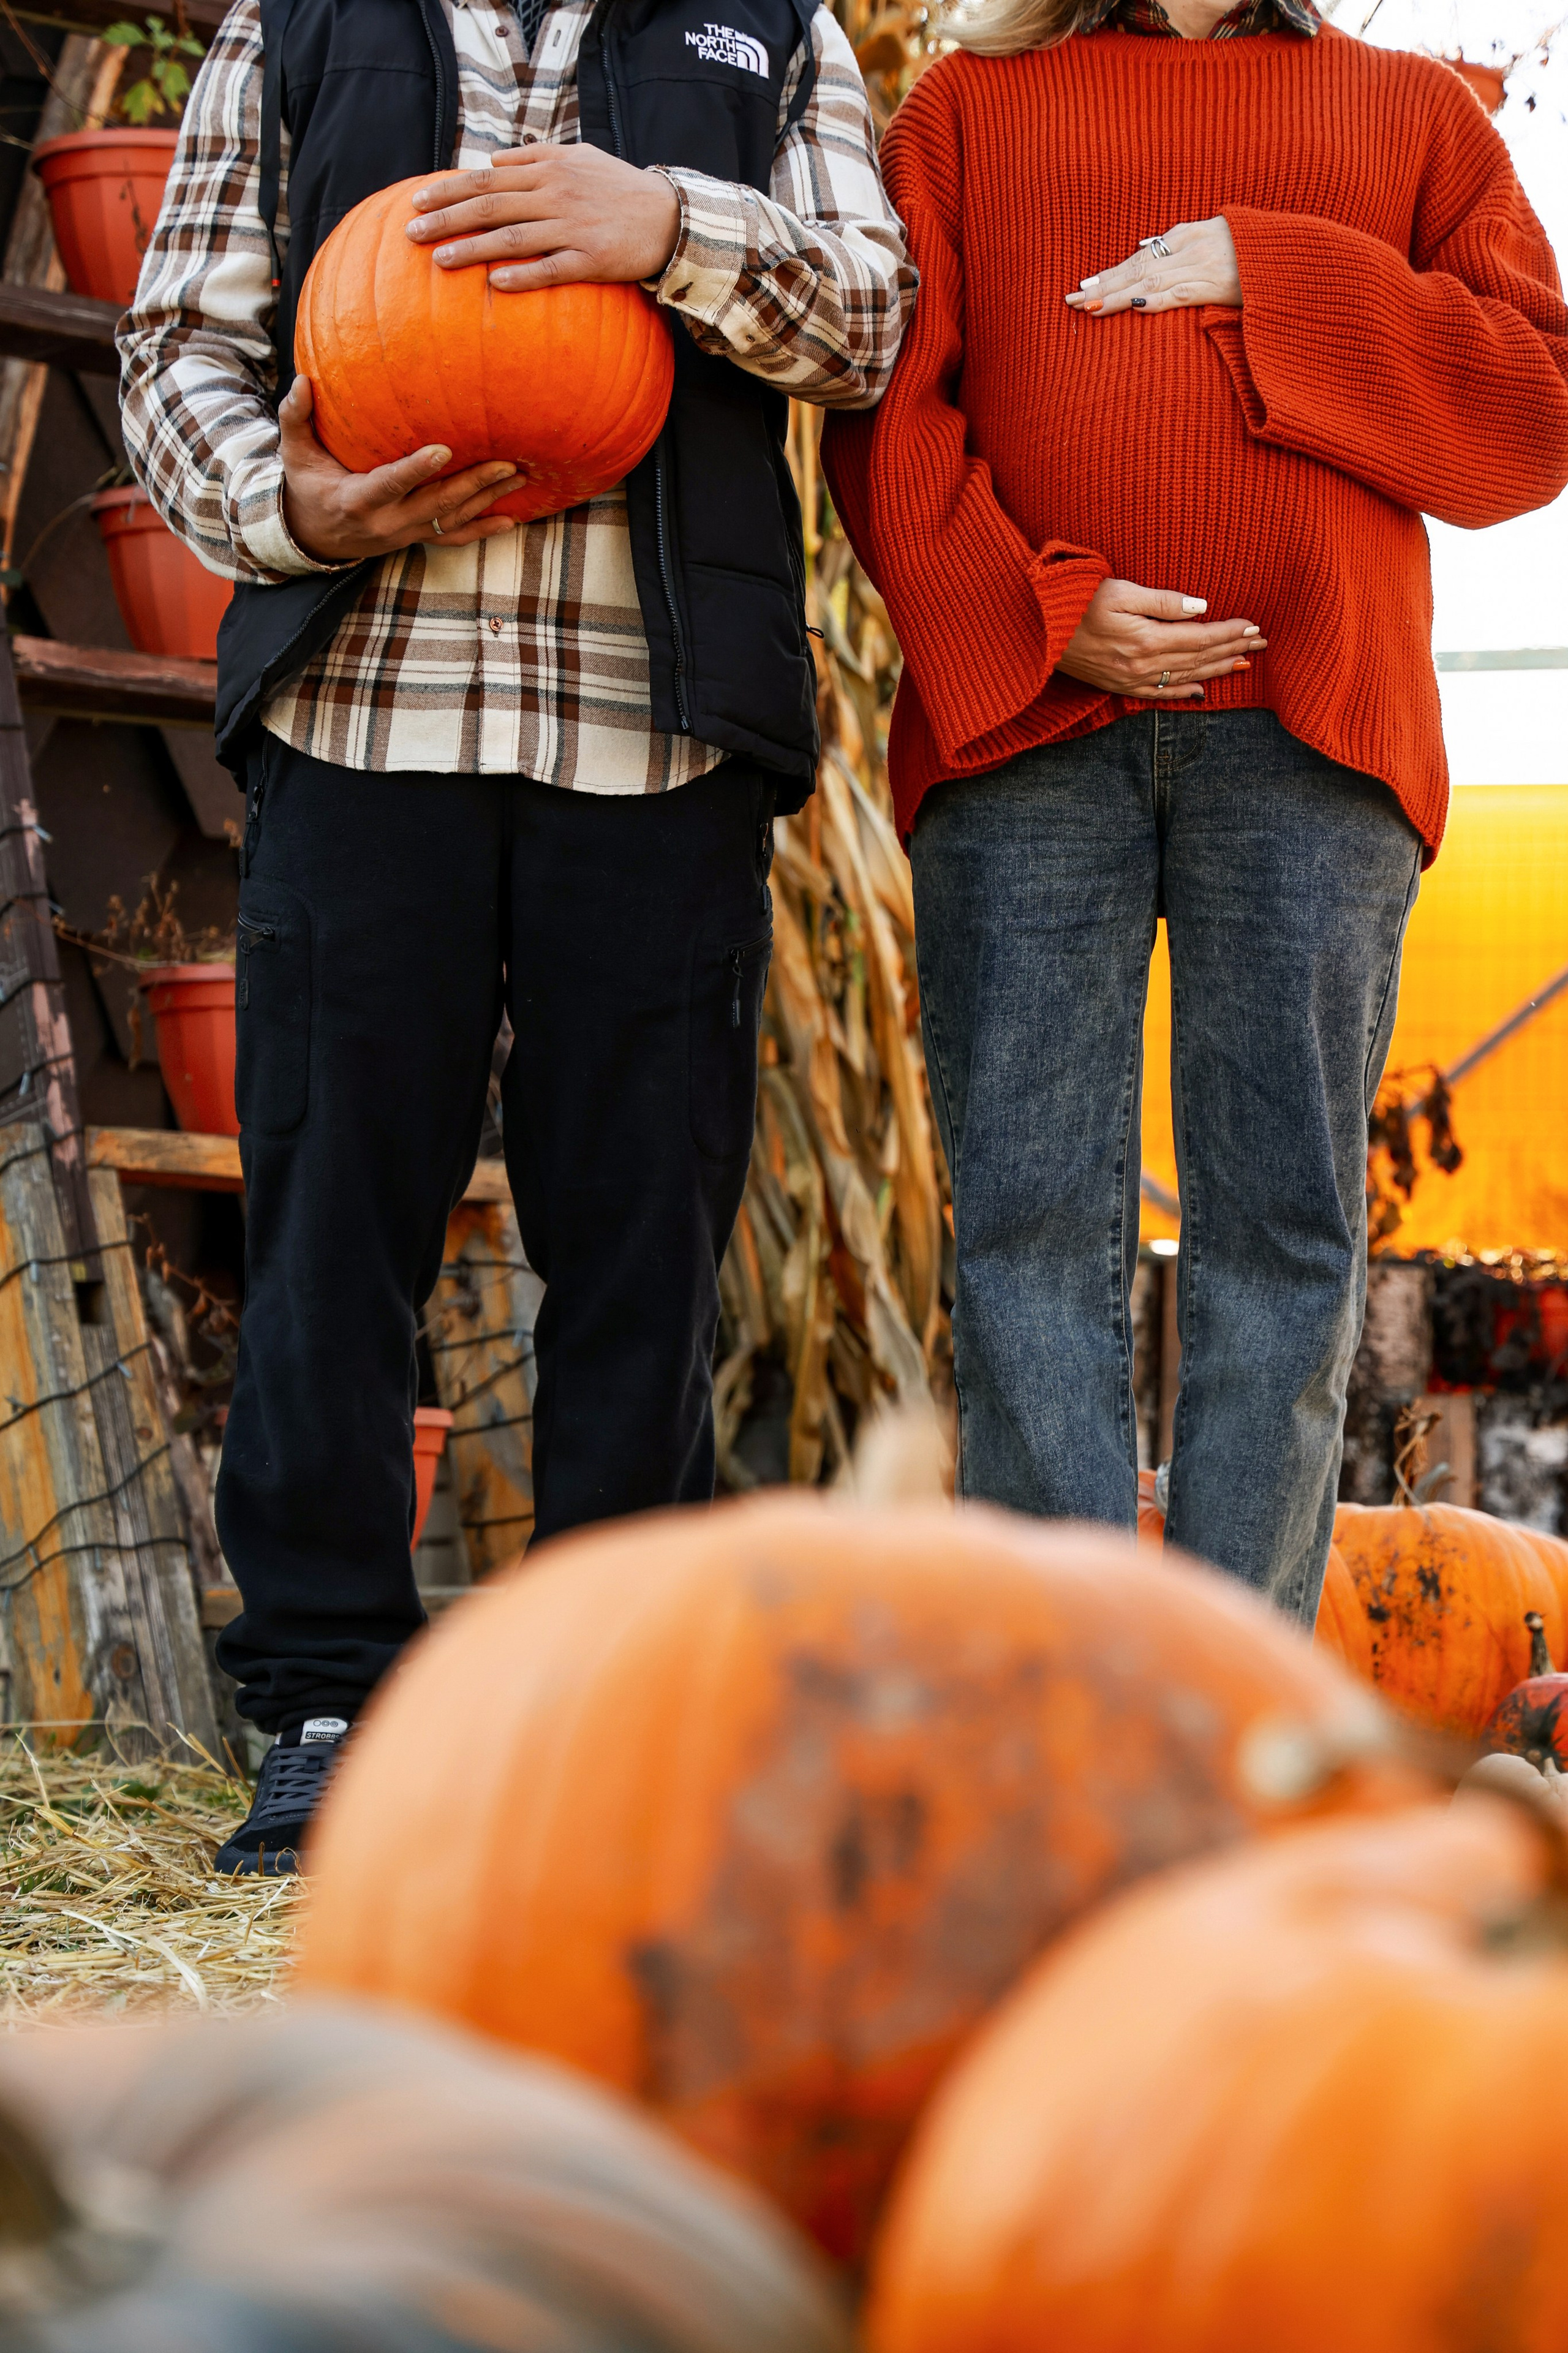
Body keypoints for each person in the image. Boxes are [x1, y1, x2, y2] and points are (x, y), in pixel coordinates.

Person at [119, 0, 913, 1872]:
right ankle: (327, 1707)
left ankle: (605, 1724)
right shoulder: (295, 23)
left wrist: (666, 226)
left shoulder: (766, 30)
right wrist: (283, 498)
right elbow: (177, 346)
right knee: (332, 1238)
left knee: (641, 1253)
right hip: (363, 713)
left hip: (651, 737)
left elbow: (871, 320)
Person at [824, 0, 1568, 1622]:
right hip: (1027, 740)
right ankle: (1072, 1719)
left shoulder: (1411, 118)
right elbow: (887, 420)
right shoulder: (964, 110)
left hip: (1313, 747)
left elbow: (1532, 408)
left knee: (1285, 1240)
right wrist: (1037, 607)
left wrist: (1273, 268)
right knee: (1023, 1234)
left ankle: (1229, 1723)